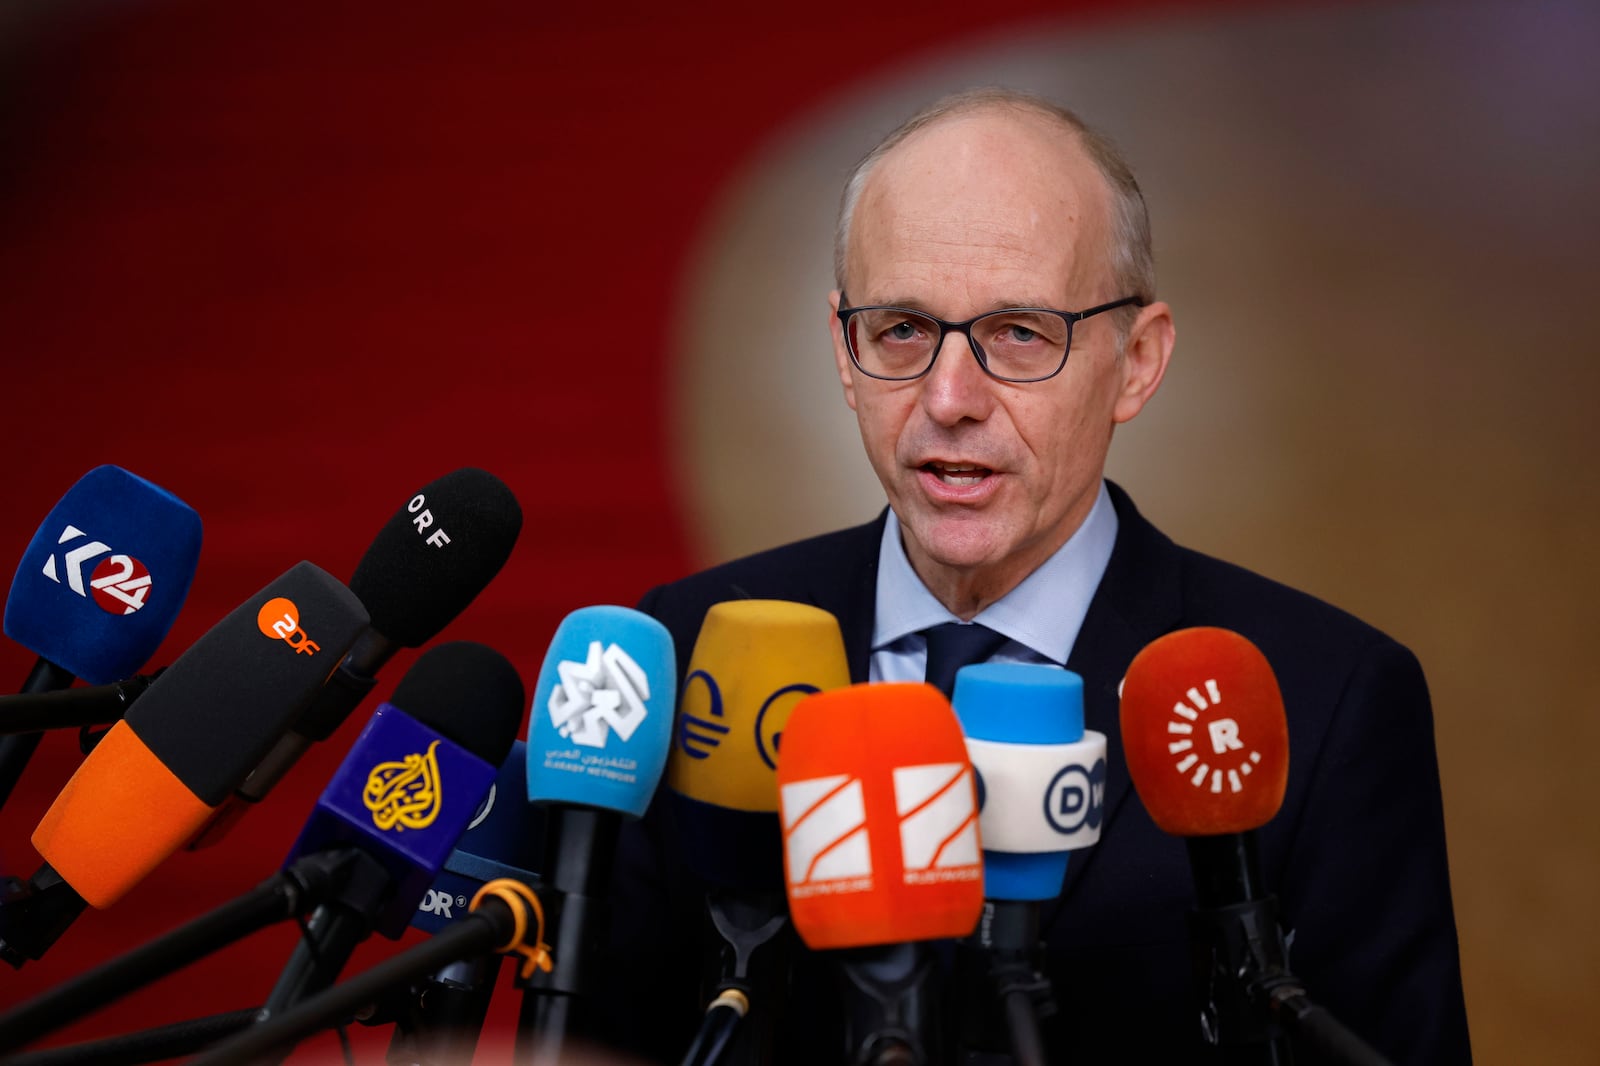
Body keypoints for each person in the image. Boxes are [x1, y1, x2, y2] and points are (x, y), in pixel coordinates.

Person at [597, 88, 1470, 1064]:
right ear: (842, 353)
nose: (948, 397)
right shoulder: (689, 649)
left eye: (1019, 332)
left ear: (1136, 361)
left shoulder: (1325, 699)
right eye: (900, 330)